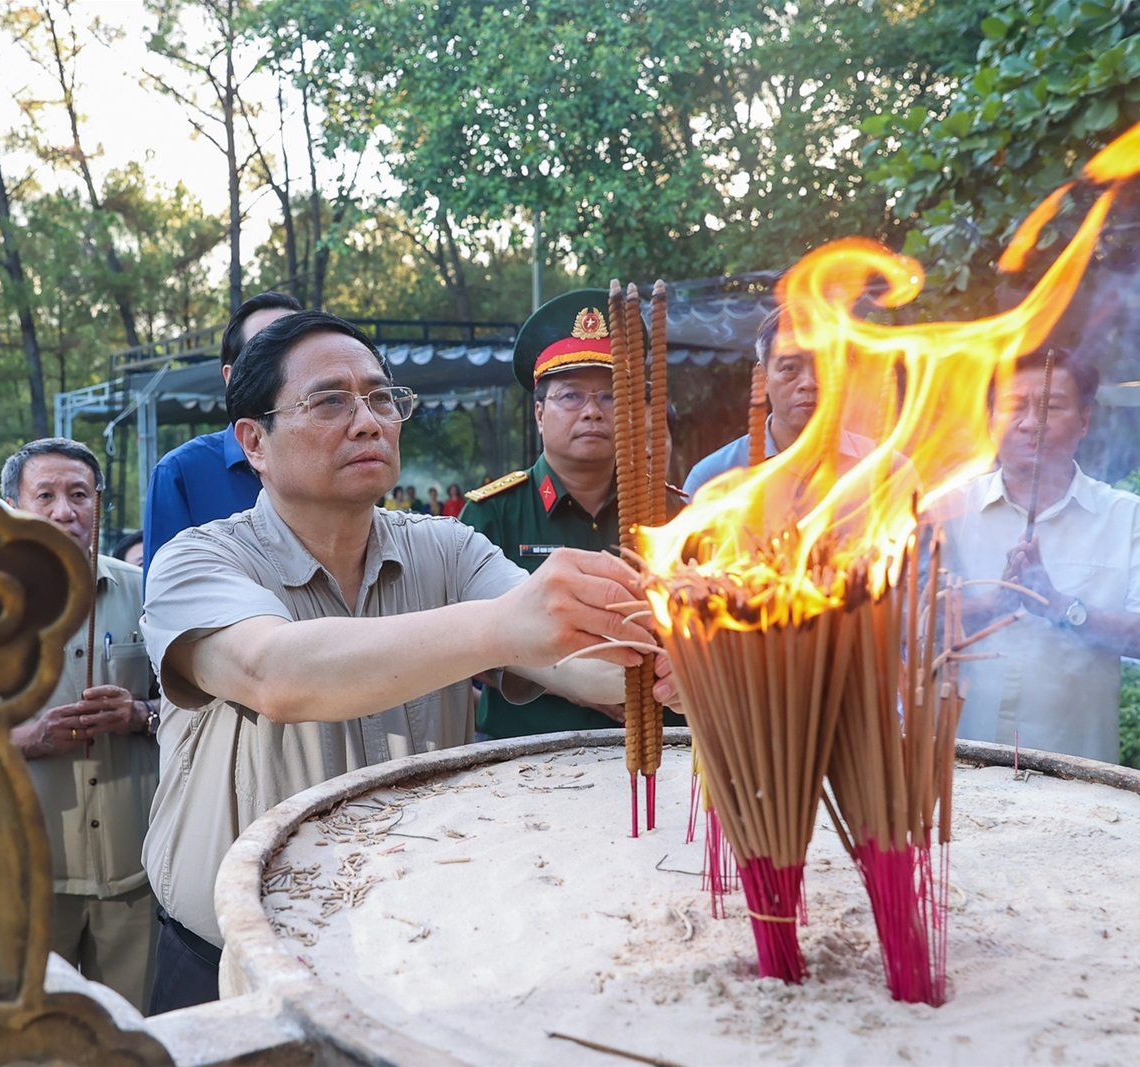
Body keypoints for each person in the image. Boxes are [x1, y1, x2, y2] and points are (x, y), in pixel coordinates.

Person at [140, 309, 672, 1012]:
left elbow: (580, 658)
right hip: (231, 963)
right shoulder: (198, 560)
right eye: (330, 401)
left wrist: (681, 660)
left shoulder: (447, 549)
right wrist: (503, 626)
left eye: (382, 398)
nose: (367, 422)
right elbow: (274, 672)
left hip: (411, 947)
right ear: (254, 442)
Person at [943, 347, 1140, 763]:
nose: (1031, 424)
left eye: (1051, 407)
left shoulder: (1130, 518)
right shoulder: (946, 512)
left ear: (1084, 420)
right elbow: (907, 631)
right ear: (989, 420)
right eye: (1013, 407)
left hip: (1076, 771)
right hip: (955, 768)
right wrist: (995, 603)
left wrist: (1065, 608)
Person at [458, 289, 684, 738]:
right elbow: (465, 640)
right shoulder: (493, 514)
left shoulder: (675, 512)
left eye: (608, 396)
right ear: (539, 414)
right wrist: (573, 684)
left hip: (662, 750)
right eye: (571, 396)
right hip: (527, 759)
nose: (593, 412)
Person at [1, 438, 160, 1012]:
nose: (65, 511)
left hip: (134, 871)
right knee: (38, 1036)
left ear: (100, 505)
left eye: (79, 495)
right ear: (14, 506)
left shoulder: (148, 593)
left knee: (133, 1034)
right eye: (44, 496)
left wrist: (140, 715)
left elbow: (200, 711)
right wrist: (24, 738)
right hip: (29, 875)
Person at [142, 291, 302, 575]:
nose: (286, 369)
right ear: (230, 378)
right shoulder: (181, 472)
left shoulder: (338, 455)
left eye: (297, 352)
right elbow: (166, 604)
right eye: (265, 353)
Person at [683, 304, 819, 497]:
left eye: (823, 366)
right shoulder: (712, 480)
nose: (809, 383)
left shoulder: (872, 465)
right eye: (790, 368)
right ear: (762, 378)